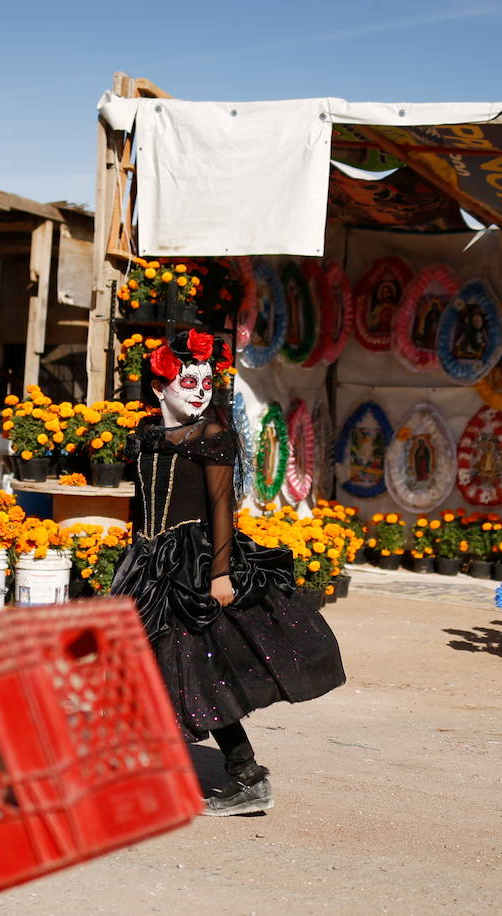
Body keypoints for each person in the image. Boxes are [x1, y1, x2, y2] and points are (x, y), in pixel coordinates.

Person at [110, 329, 345, 816]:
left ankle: (243, 774)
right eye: (187, 381)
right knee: (151, 668)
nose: (199, 390)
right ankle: (218, 773)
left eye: (206, 381)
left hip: (193, 562)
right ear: (159, 388)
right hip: (150, 563)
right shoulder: (146, 435)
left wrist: (220, 575)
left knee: (196, 667)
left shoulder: (212, 436)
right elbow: (142, 503)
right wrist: (133, 550)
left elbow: (223, 508)